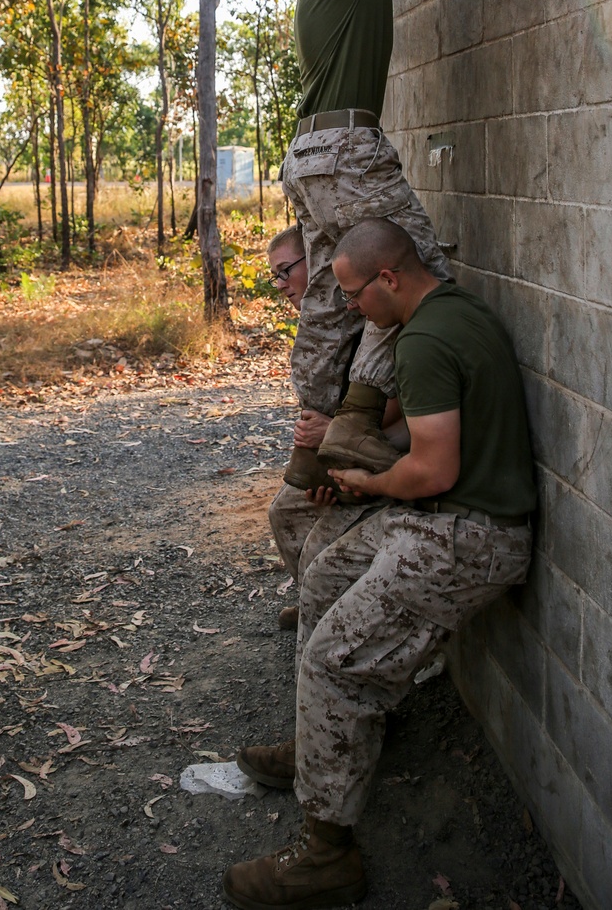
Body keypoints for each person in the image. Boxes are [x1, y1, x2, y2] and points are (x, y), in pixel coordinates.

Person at [223, 219, 536, 908]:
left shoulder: (424, 340)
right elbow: (421, 433)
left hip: (469, 536)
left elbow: (429, 469)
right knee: (324, 577)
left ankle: (327, 854)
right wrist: (357, 449)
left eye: (356, 295)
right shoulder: (448, 314)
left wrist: (367, 484)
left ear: (389, 278)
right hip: (446, 516)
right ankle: (323, 741)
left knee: (333, 658)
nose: (352, 309)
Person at [278, 0, 451, 495]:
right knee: (414, 274)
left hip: (309, 153)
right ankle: (356, 419)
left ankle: (309, 449)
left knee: (327, 301)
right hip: (346, 150)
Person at [264, 227, 402, 632]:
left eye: (286, 270)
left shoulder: (367, 319)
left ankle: (340, 623)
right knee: (285, 511)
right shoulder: (321, 329)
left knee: (319, 553)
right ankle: (315, 604)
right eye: (275, 275)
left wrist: (334, 433)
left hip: (385, 461)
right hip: (348, 455)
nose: (281, 285)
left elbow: (397, 409)